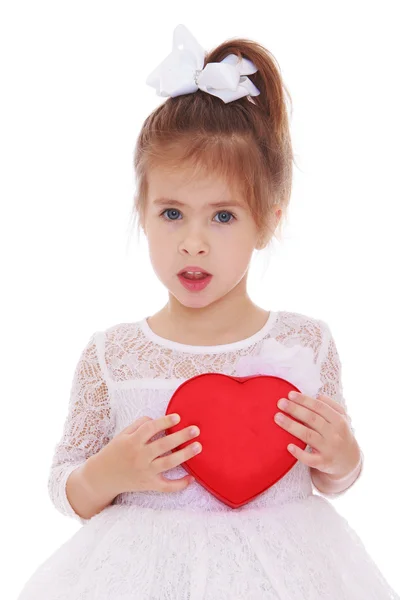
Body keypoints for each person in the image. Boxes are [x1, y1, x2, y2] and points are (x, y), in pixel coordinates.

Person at [18, 24, 399, 600]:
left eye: (222, 216)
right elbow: (61, 483)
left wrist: (344, 459)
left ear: (268, 221)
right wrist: (107, 474)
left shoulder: (305, 343)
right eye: (172, 213)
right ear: (142, 212)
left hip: (284, 573)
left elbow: (331, 474)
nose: (193, 242)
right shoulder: (113, 355)